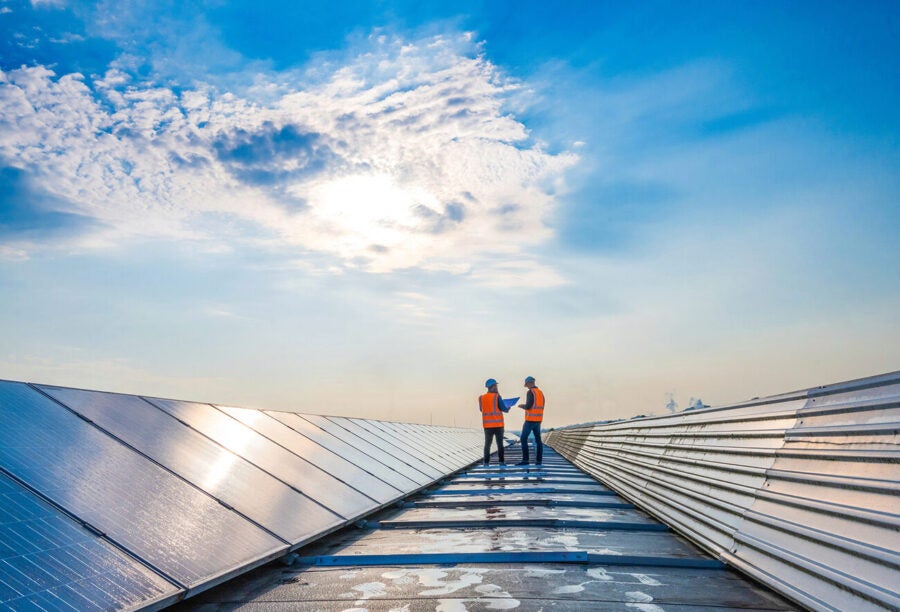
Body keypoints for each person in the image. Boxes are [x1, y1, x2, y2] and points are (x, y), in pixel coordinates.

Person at [479, 378, 509, 466]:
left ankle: (486, 462)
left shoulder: (481, 398)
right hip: (498, 425)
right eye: (496, 386)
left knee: (487, 444)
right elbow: (504, 409)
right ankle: (501, 462)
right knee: (500, 444)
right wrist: (508, 408)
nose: (497, 387)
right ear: (493, 387)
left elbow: (481, 410)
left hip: (487, 426)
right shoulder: (497, 397)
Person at [517, 376, 544, 465]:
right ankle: (539, 461)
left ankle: (525, 460)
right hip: (538, 420)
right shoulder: (540, 393)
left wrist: (521, 406)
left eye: (527, 384)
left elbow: (528, 406)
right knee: (538, 440)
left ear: (529, 383)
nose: (527, 386)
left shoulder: (530, 392)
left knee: (523, 438)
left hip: (530, 420)